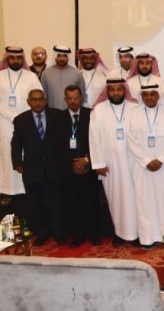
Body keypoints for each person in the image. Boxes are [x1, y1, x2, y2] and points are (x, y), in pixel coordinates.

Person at [10, 89, 66, 246]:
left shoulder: (58, 116)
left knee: (56, 203)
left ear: (46, 101)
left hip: (55, 168)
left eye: (41, 99)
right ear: (28, 102)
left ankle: (59, 233)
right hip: (32, 169)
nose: (38, 103)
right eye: (34, 100)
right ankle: (41, 233)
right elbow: (16, 144)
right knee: (35, 204)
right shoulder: (20, 120)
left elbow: (64, 140)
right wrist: (17, 163)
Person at [89, 77, 139, 247]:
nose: (116, 93)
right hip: (110, 164)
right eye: (112, 89)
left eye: (119, 89)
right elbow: (93, 138)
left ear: (125, 90)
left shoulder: (134, 108)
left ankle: (136, 233)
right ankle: (119, 233)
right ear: (107, 91)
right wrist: (98, 163)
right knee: (115, 199)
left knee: (134, 198)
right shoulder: (98, 110)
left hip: (133, 162)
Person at [127, 84, 164, 249]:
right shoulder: (135, 114)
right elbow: (132, 140)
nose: (149, 97)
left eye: (152, 94)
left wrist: (161, 159)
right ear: (141, 97)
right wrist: (146, 160)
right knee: (145, 203)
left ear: (158, 95)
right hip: (143, 167)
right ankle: (148, 238)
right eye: (146, 95)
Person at [0, 46, 43, 197]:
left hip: (27, 122)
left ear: (22, 59)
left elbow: (39, 97)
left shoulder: (31, 76)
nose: (15, 61)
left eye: (19, 58)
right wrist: (13, 117)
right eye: (12, 58)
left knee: (27, 153)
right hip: (6, 123)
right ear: (7, 59)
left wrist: (23, 118)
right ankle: (7, 190)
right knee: (7, 154)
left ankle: (26, 188)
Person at [58, 85, 101, 247]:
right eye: (69, 98)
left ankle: (94, 235)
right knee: (72, 204)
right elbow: (57, 145)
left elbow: (98, 140)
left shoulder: (92, 115)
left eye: (76, 97)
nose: (73, 101)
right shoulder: (59, 118)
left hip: (89, 166)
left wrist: (86, 160)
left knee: (91, 203)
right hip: (68, 169)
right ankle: (77, 236)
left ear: (81, 98)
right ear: (65, 100)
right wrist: (74, 164)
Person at [41, 45, 86, 110]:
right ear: (55, 57)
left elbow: (82, 94)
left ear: (68, 58)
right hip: (52, 111)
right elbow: (43, 95)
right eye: (59, 56)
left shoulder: (77, 73)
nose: (61, 59)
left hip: (71, 112)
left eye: (64, 56)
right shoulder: (46, 73)